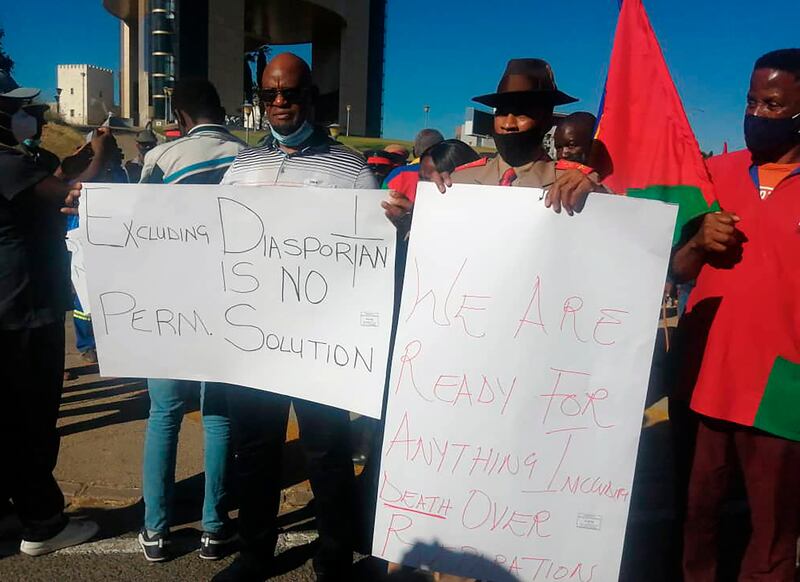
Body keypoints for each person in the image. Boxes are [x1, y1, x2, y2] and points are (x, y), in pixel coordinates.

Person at [214, 52, 376, 582]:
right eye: (269, 94)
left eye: (290, 93)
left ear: (311, 98)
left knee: (326, 451)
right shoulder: (242, 167)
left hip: (321, 339)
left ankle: (333, 556)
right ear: (260, 101)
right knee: (254, 451)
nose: (279, 102)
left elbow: (366, 255)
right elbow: (212, 241)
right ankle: (254, 552)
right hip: (254, 337)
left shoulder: (351, 168)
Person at [669, 48, 800, 581]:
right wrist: (698, 240)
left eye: (772, 104)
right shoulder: (711, 174)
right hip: (705, 379)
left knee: (772, 535)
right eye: (751, 100)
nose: (756, 114)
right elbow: (675, 269)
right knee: (697, 520)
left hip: (783, 388)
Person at [135, 79, 245, 563]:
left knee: (165, 415)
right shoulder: (251, 158)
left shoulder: (161, 158)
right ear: (222, 110)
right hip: (229, 305)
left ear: (178, 116)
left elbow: (134, 228)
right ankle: (215, 530)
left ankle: (156, 530)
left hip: (168, 305)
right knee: (218, 417)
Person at [0, 70, 105, 556]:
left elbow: (49, 182)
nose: (30, 117)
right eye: (21, 109)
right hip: (26, 312)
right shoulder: (7, 163)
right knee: (34, 421)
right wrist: (98, 161)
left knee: (9, 421)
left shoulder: (14, 166)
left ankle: (10, 509)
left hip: (11, 307)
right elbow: (67, 196)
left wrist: (77, 157)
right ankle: (42, 522)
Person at [383, 58, 603, 225]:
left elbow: (617, 236)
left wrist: (598, 197)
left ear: (546, 120)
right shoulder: (458, 181)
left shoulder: (577, 182)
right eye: (501, 112)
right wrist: (414, 222)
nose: (508, 123)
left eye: (522, 113)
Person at [382, 128, 444, 200]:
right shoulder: (453, 173)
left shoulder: (396, 174)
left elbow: (381, 202)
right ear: (444, 150)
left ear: (414, 151)